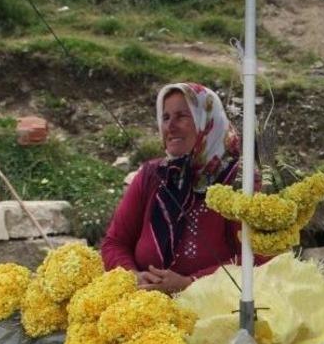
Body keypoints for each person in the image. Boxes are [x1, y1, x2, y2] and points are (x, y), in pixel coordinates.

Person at [101, 82, 252, 294]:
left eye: (181, 116)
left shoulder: (240, 181)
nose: (170, 126)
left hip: (216, 310)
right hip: (145, 306)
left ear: (207, 121)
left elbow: (256, 259)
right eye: (165, 118)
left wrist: (190, 283)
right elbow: (115, 243)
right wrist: (132, 276)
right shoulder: (152, 175)